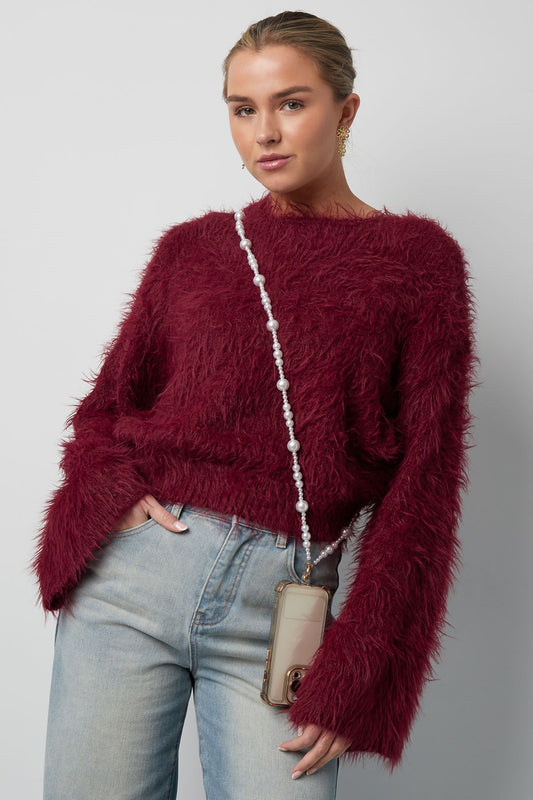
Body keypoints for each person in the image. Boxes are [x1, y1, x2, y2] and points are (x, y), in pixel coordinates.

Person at [34, 10, 477, 800]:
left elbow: (425, 483)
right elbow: (106, 409)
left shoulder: (418, 263)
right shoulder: (191, 250)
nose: (264, 133)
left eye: (291, 103)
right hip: (130, 587)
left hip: (283, 611)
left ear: (345, 110)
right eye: (242, 109)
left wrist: (363, 667)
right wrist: (114, 494)